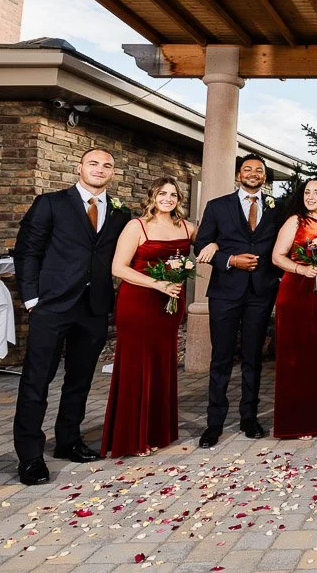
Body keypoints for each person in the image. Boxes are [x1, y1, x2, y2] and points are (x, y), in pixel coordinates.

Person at [13, 148, 132, 485]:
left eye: (107, 165)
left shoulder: (121, 213)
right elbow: (27, 251)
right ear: (79, 167)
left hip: (94, 308)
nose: (100, 169)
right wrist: (32, 299)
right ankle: (30, 456)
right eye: (93, 163)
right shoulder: (51, 203)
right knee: (37, 380)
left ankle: (68, 440)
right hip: (52, 305)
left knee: (80, 380)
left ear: (113, 173)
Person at [100, 178, 195, 458]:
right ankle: (133, 437)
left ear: (179, 199)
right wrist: (157, 284)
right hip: (139, 302)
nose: (168, 198)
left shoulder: (187, 227)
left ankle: (156, 432)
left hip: (169, 305)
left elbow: (213, 243)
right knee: (137, 366)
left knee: (162, 365)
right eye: (162, 193)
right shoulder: (137, 226)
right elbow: (118, 267)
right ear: (152, 196)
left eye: (173, 194)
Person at [194, 153, 281, 448]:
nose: (253, 173)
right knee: (221, 358)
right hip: (225, 291)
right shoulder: (217, 206)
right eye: (247, 169)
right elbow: (201, 244)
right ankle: (214, 423)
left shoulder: (276, 208)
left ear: (265, 177)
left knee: (253, 357)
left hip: (261, 291)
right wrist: (229, 259)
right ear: (238, 174)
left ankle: (249, 417)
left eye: (259, 170)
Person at [270, 178, 317, 438]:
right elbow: (277, 256)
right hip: (297, 290)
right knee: (297, 354)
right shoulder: (295, 221)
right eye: (307, 192)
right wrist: (301, 269)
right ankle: (296, 422)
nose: (311, 197)